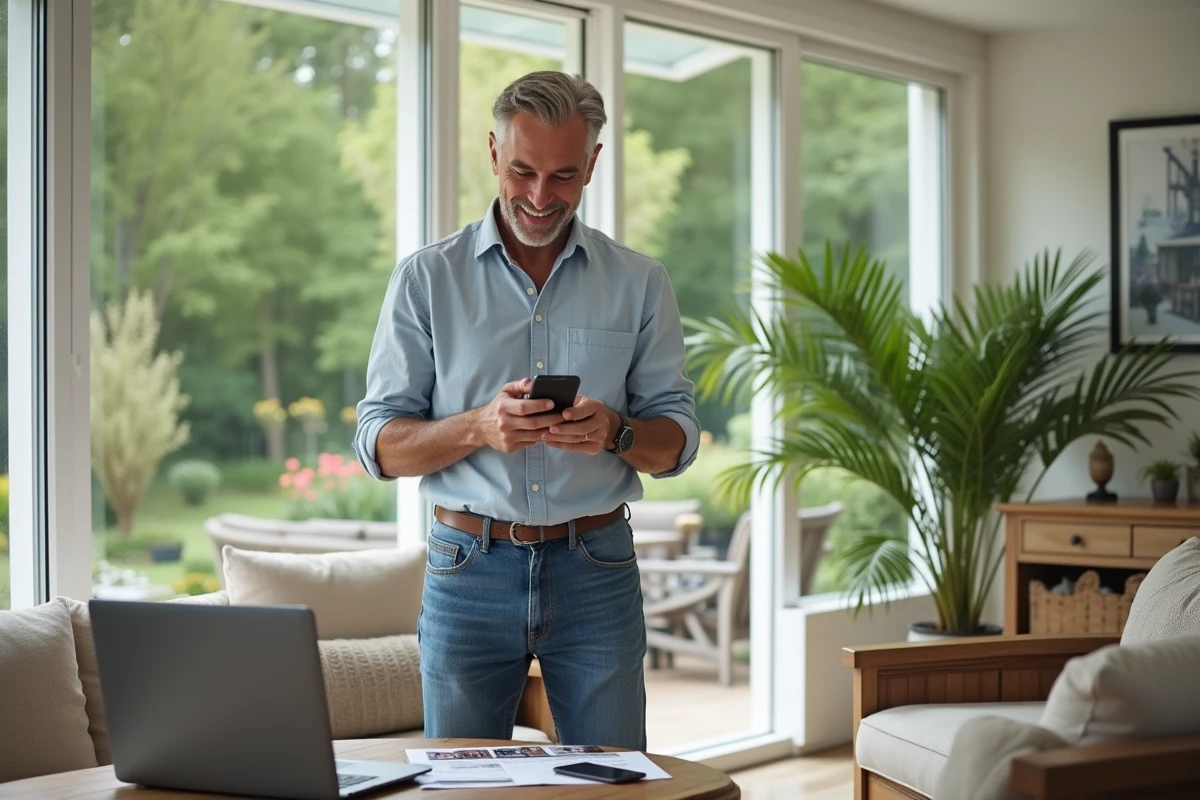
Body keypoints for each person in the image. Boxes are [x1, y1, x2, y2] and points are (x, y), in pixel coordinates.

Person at [353, 71, 699, 751]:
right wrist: (479, 426)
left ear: (594, 164)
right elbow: (379, 445)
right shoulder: (427, 279)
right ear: (492, 153)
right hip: (467, 569)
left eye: (564, 176)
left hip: (596, 570)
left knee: (614, 788)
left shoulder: (640, 282)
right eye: (522, 171)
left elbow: (676, 444)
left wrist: (616, 431)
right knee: (459, 792)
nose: (540, 197)